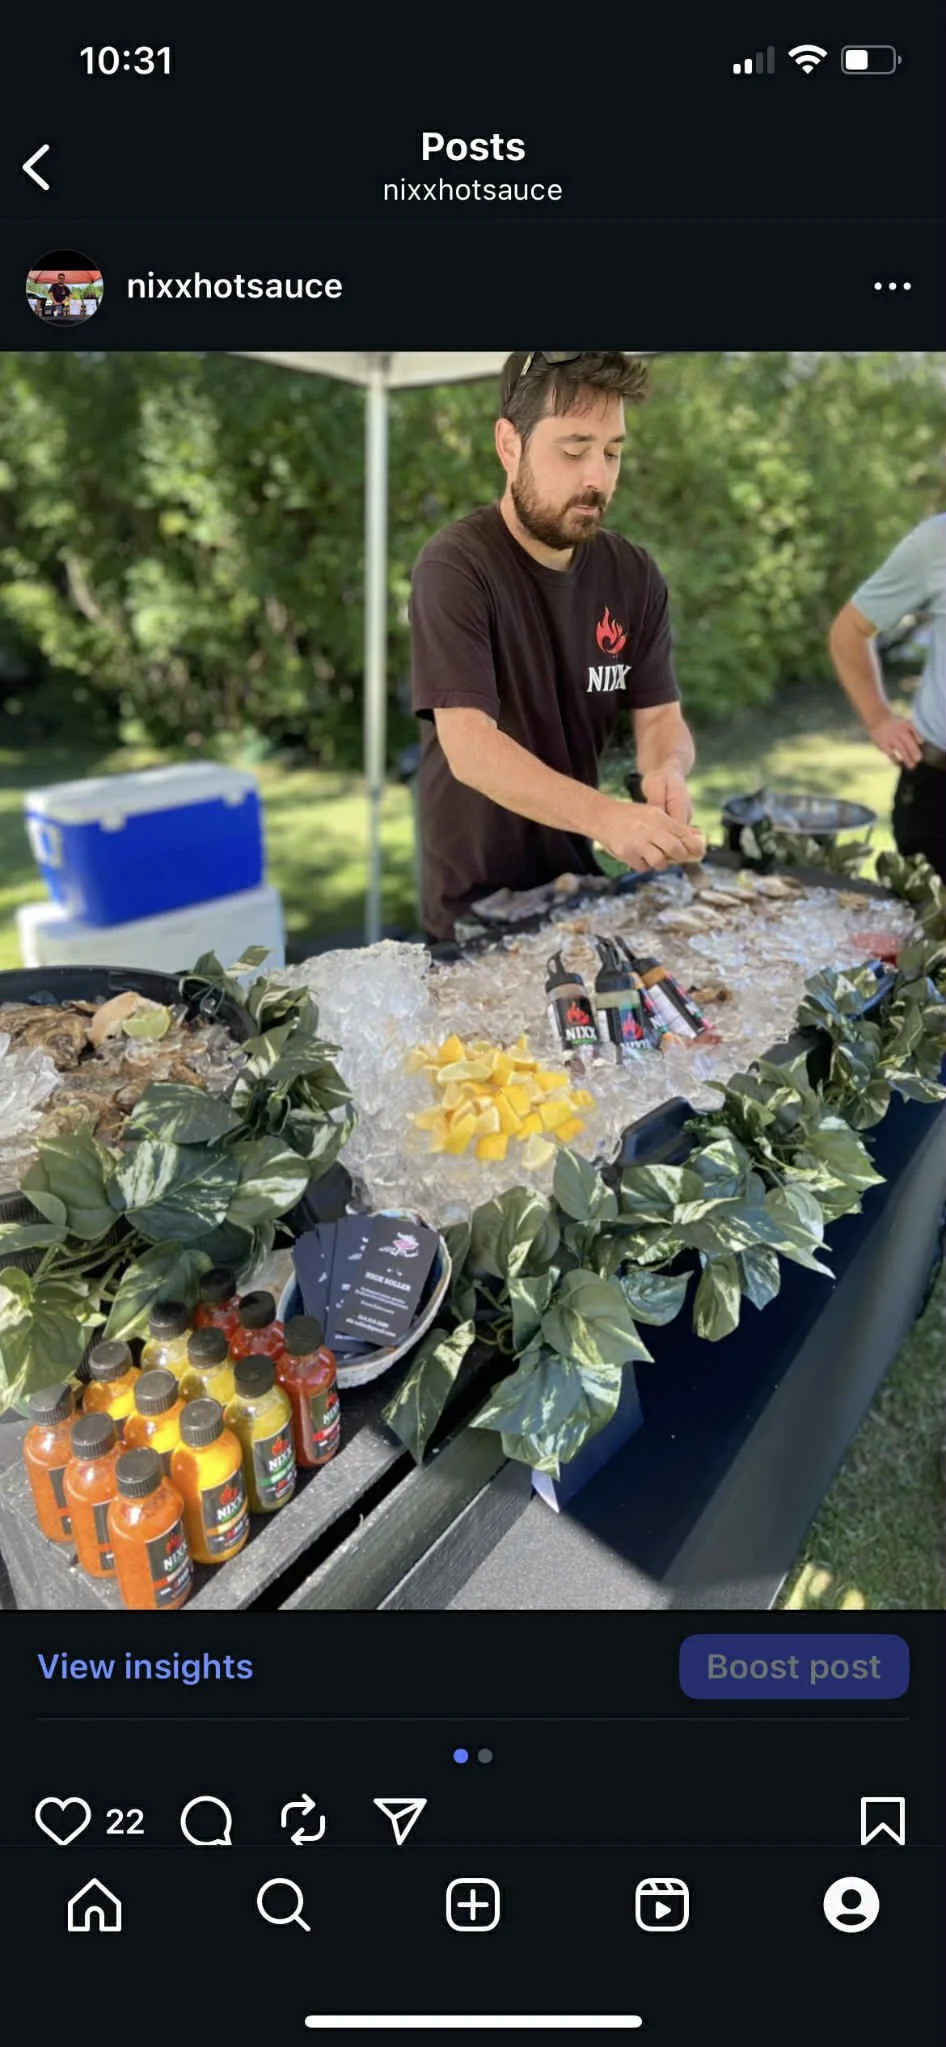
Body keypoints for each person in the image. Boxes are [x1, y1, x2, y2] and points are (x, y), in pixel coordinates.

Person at [409, 350, 705, 945]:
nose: (597, 477)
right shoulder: (456, 566)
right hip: (476, 912)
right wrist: (608, 818)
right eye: (573, 450)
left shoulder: (634, 576)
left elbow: (660, 716)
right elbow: (469, 747)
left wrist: (665, 770)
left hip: (582, 896)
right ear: (509, 445)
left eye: (613, 452)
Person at [828, 513, 945, 881]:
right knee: (928, 937)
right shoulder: (937, 541)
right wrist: (879, 720)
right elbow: (849, 631)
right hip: (938, 798)